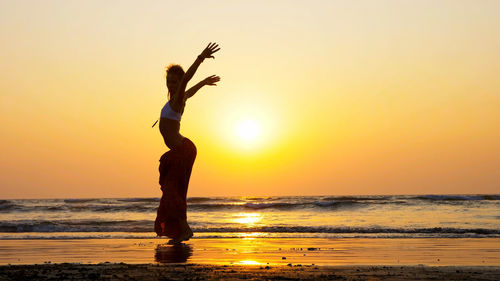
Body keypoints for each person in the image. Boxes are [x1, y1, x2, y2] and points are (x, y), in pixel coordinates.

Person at [154, 42, 220, 244]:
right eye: (169, 81)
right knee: (173, 191)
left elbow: (186, 81)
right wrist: (203, 83)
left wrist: (200, 57)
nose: (172, 85)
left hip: (182, 151)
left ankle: (184, 231)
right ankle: (183, 230)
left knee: (173, 192)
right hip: (181, 150)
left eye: (176, 82)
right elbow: (189, 91)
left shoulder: (176, 101)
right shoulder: (177, 99)